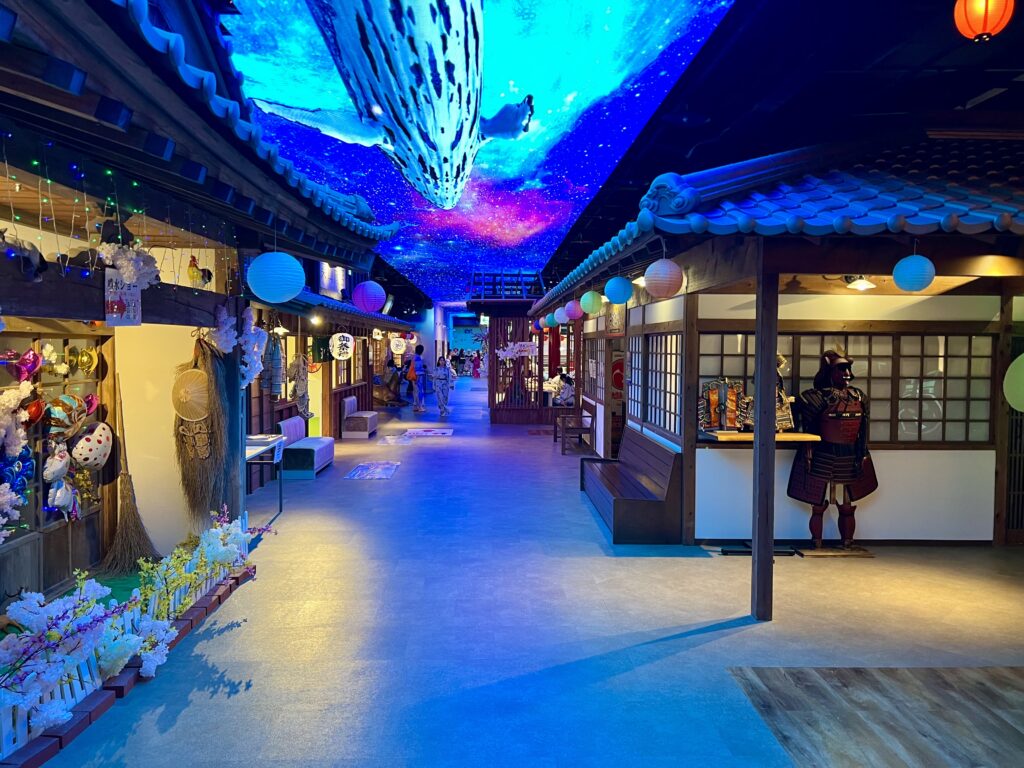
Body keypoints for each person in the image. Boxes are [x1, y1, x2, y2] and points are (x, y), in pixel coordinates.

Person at [410, 344, 429, 413]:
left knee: (415, 392)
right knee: (419, 392)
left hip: (413, 377)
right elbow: (418, 370)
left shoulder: (414, 357)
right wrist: (418, 378)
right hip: (418, 378)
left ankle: (415, 406)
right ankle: (420, 407)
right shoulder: (418, 358)